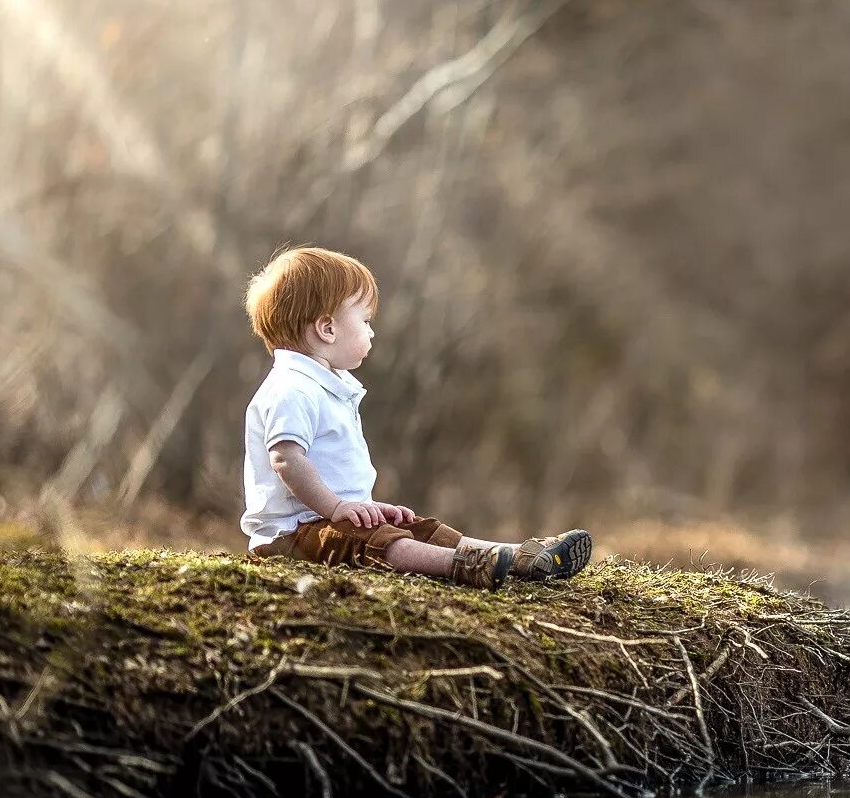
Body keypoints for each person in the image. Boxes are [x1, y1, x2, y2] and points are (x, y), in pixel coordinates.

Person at [240, 247, 590, 589]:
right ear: (327, 329)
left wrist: (362, 506)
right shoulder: (291, 388)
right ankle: (461, 566)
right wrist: (337, 507)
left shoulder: (324, 387)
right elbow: (286, 459)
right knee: (380, 543)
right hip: (292, 536)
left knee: (421, 528)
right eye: (364, 321)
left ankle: (520, 556)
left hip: (331, 520)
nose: (371, 331)